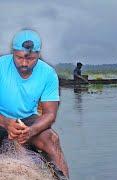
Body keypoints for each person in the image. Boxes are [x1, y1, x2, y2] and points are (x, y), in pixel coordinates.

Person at [0, 29, 69, 177]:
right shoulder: (1, 66)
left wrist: (31, 131)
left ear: (38, 54)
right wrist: (6, 123)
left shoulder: (48, 73)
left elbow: (50, 114)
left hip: (27, 120)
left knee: (52, 138)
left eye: (30, 58)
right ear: (13, 52)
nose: (24, 63)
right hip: (1, 118)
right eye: (19, 57)